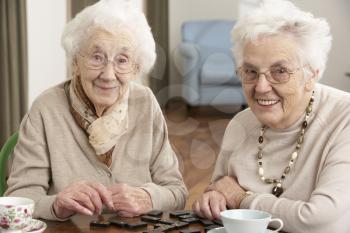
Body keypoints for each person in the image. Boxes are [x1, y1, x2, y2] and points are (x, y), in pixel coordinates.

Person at [5, 0, 188, 221]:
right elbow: (20, 198)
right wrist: (56, 204)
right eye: (97, 57)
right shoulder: (46, 109)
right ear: (75, 61)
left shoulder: (145, 103)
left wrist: (148, 197)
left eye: (122, 60)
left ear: (136, 68)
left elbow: (176, 191)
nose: (109, 74)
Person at [193, 0, 350, 232]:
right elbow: (220, 191)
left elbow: (322, 221)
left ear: (312, 75)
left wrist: (242, 199)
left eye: (280, 71)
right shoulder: (241, 123)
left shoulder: (344, 117)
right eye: (251, 72)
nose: (261, 87)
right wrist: (213, 200)